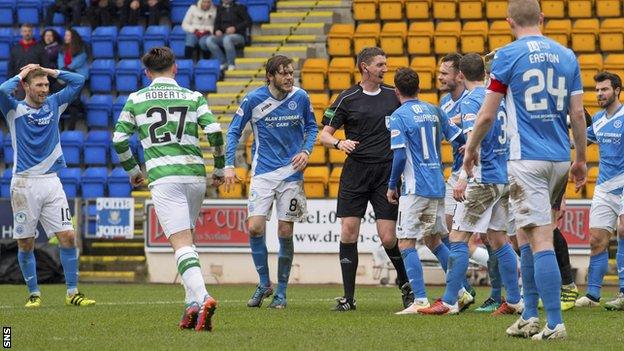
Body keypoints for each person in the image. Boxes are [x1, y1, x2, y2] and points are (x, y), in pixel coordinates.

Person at [462, 0, 587, 340]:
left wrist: (470, 150)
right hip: (560, 157)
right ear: (542, 18)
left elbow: (487, 115)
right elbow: (578, 114)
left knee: (539, 238)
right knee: (526, 237)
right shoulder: (567, 55)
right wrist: (581, 159)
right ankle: (529, 315)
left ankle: (555, 323)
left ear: (509, 22)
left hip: (526, 158)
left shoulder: (506, 55)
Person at [112, 47, 224, 331]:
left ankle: (204, 296)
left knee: (180, 244)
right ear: (175, 68)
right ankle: (192, 306)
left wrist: (134, 171)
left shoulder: (136, 99)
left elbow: (119, 139)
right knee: (189, 239)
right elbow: (214, 132)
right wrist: (220, 168)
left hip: (164, 177)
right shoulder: (193, 96)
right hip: (195, 177)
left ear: (147, 72)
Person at [419, 53, 522, 317]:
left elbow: (470, 146)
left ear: (462, 76)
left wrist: (464, 178)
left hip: (483, 176)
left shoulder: (470, 102)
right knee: (498, 238)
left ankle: (451, 301)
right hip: (506, 174)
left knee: (457, 238)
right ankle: (514, 300)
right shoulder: (497, 97)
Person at [319, 47, 413, 312]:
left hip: (386, 174)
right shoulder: (346, 98)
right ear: (365, 67)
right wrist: (339, 143)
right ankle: (348, 298)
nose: (385, 69)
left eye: (386, 64)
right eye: (380, 65)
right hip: (356, 173)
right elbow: (324, 135)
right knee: (349, 232)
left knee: (387, 237)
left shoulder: (393, 96)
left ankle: (406, 287)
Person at [224, 55, 318, 309]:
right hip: (263, 174)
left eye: (291, 73)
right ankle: (264, 283)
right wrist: (229, 165)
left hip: (292, 174)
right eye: (284, 73)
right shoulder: (253, 100)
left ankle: (282, 292)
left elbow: (312, 127)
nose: (289, 77)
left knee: (285, 231)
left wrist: (306, 151)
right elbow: (233, 130)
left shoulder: (301, 97)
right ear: (270, 76)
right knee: (254, 228)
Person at [0, 64, 93, 308]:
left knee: (68, 236)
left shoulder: (54, 104)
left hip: (52, 181)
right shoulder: (14, 109)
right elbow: (2, 90)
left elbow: (78, 81)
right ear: (27, 87)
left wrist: (49, 71)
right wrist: (22, 73)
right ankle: (33, 293)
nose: (44, 89)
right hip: (24, 184)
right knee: (26, 242)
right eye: (39, 85)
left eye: (46, 85)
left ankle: (72, 292)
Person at [386, 67, 464, 314]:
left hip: (415, 188)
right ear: (419, 88)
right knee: (434, 240)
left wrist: (391, 184)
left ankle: (419, 300)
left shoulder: (399, 116)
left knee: (405, 243)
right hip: (438, 185)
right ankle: (460, 291)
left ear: (396, 91)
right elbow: (460, 139)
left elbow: (399, 155)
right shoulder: (434, 110)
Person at [574, 72, 624, 311]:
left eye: (604, 89)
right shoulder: (598, 119)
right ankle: (593, 295)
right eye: (597, 90)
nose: (600, 94)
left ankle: (623, 293)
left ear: (617, 90)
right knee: (596, 240)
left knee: (623, 231)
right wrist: (574, 123)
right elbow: (582, 142)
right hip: (604, 187)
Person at [203, 0, 251, 71]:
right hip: (223, 35)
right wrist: (216, 30)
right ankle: (223, 62)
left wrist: (235, 28)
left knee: (227, 39)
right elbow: (216, 24)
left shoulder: (239, 7)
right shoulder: (220, 8)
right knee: (209, 40)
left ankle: (231, 64)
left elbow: (249, 21)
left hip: (238, 36)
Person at [8, 24, 51, 99]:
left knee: (37, 107)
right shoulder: (15, 48)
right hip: (20, 84)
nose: (27, 33)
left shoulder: (40, 48)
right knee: (20, 108)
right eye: (25, 31)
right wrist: (12, 85)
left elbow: (45, 66)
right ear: (21, 32)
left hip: (36, 83)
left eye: (29, 31)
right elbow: (11, 68)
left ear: (32, 32)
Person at [57, 29, 88, 131]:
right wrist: (65, 70)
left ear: (73, 37)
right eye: (65, 35)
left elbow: (76, 63)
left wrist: (67, 69)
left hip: (77, 77)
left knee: (73, 102)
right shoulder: (62, 49)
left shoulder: (81, 49)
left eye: (68, 35)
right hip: (66, 78)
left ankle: (71, 128)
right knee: (61, 102)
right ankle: (61, 127)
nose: (65, 37)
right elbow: (61, 64)